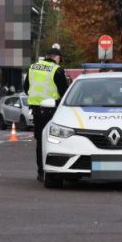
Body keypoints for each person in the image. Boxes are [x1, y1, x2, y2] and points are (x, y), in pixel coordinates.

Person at [24, 44, 69, 181]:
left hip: (37, 111)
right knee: (55, 141)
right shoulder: (57, 70)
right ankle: (54, 171)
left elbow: (26, 88)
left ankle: (41, 172)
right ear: (56, 57)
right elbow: (65, 93)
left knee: (40, 142)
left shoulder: (33, 67)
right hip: (53, 112)